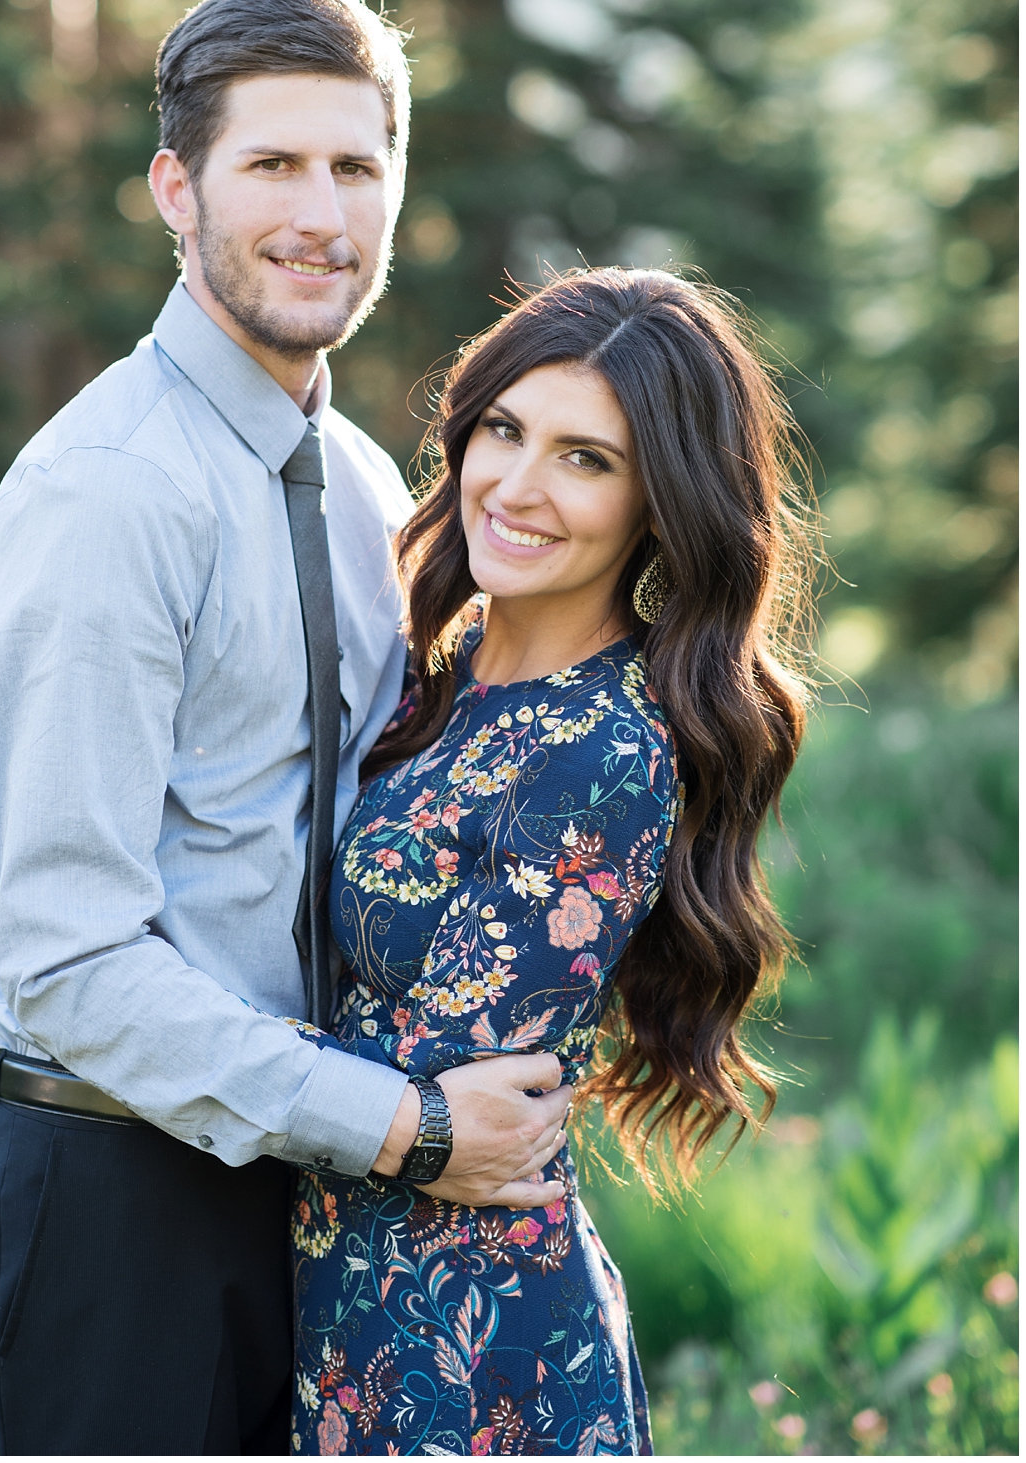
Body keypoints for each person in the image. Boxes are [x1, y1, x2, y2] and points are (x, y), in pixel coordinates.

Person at [0, 0, 571, 1456]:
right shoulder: (104, 492)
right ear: (177, 186)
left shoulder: (370, 486)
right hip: (128, 1190)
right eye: (273, 164)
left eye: (357, 165)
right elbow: (74, 961)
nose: (322, 212)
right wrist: (410, 1128)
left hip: (330, 1183)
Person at [292, 267, 809, 1454]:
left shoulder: (599, 752)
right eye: (505, 431)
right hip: (343, 1302)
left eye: (586, 458)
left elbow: (438, 1086)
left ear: (657, 504)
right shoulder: (439, 677)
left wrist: (151, 1027)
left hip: (467, 1344)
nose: (517, 488)